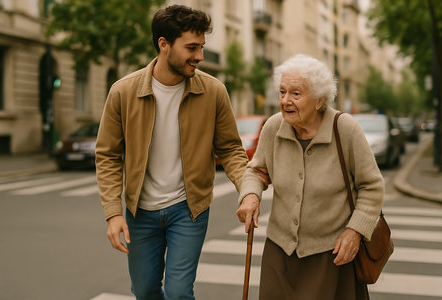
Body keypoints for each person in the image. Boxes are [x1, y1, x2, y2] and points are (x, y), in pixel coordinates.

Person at [95, 5, 250, 300]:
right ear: (163, 45)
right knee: (145, 291)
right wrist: (113, 213)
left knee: (179, 292)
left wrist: (248, 189)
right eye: (191, 47)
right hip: (140, 211)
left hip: (188, 210)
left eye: (202, 47)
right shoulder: (123, 92)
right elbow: (108, 155)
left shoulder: (214, 91)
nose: (200, 56)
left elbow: (230, 149)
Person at [236, 54, 384, 299]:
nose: (285, 100)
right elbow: (257, 170)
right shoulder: (274, 127)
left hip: (331, 254)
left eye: (296, 94)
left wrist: (354, 232)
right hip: (280, 252)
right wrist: (250, 195)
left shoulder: (344, 129)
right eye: (282, 92)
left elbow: (371, 186)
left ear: (318, 100)